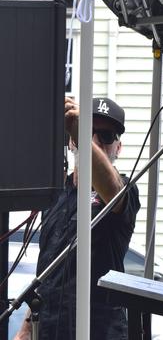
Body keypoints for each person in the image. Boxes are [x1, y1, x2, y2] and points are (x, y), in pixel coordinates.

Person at [15, 97, 140, 340]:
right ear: (71, 142)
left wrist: (81, 133)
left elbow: (112, 190)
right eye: (87, 132)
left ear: (118, 147)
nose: (94, 140)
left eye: (106, 136)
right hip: (50, 329)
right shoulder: (57, 193)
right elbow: (47, 273)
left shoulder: (124, 189)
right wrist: (25, 330)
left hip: (99, 331)